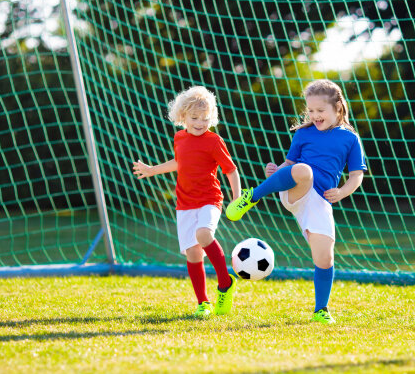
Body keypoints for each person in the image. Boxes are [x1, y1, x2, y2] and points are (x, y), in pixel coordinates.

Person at [226, 79, 366, 324]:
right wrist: (276, 170)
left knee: (325, 258)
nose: (314, 115)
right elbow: (290, 166)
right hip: (297, 190)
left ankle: (321, 310)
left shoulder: (350, 139)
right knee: (304, 171)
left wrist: (342, 192)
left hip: (320, 202)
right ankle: (252, 197)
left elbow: (356, 175)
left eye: (320, 111)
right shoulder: (303, 133)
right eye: (310, 111)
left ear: (338, 109)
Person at [133, 86, 239, 319]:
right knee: (193, 254)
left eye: (205, 118)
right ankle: (203, 302)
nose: (200, 123)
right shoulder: (179, 137)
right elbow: (180, 162)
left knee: (203, 234)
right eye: (194, 118)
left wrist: (236, 197)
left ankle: (225, 281)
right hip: (185, 203)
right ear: (182, 117)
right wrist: (152, 170)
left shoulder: (214, 141)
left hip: (210, 199)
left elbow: (231, 170)